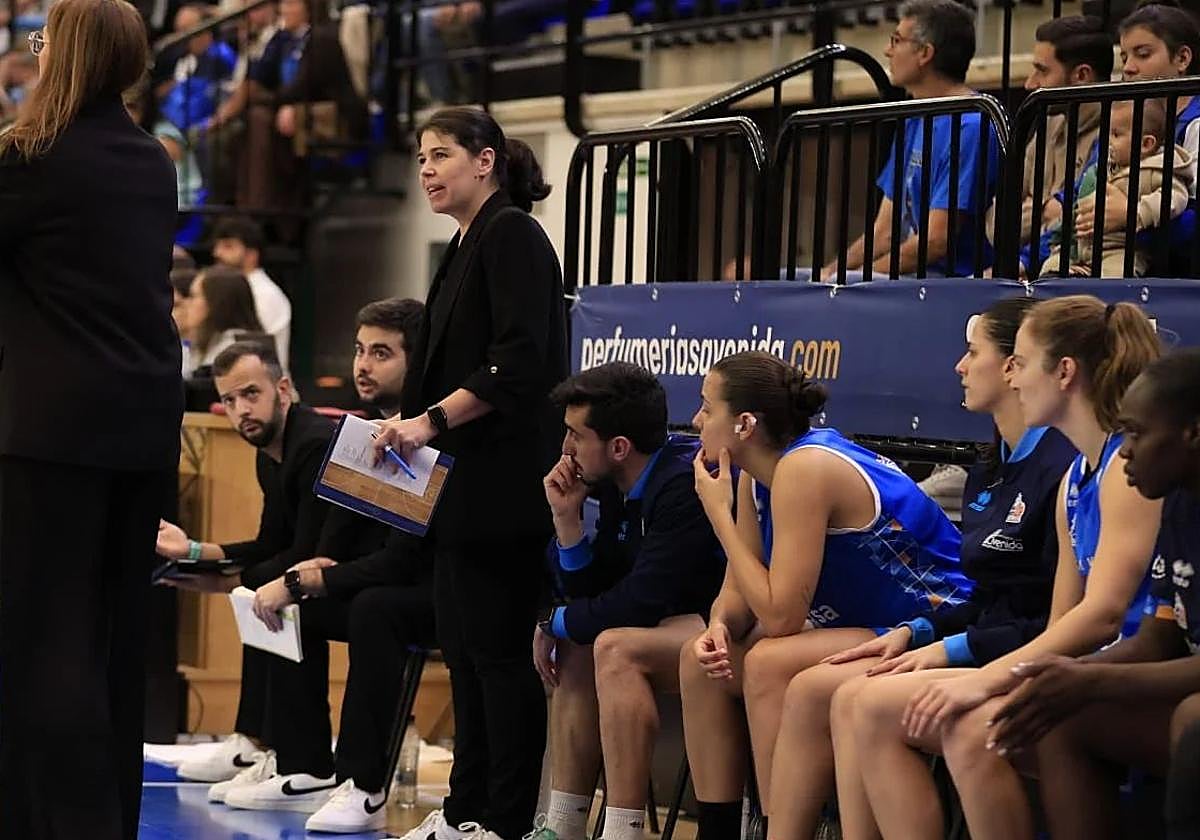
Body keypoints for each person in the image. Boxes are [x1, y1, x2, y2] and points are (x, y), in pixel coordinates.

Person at [849, 296, 1161, 840]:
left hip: (1139, 678)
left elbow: (1104, 616)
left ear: (1064, 372)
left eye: (1021, 361)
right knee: (884, 705)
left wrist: (985, 680)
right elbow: (1064, 624)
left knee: (974, 729)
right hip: (1091, 674)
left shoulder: (1123, 468)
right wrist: (982, 671)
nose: (1012, 377)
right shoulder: (1074, 481)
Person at [0, 0, 182, 835]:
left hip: (52, 427)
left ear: (63, 51)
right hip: (141, 422)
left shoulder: (28, 156)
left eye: (43, 39)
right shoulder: (152, 159)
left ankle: (50, 820)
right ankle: (106, 817)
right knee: (113, 631)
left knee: (45, 633)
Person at [804, 298, 1076, 840]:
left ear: (1014, 368)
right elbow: (990, 595)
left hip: (1036, 658)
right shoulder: (988, 466)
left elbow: (1055, 620)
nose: (959, 366)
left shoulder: (1065, 468)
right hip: (991, 642)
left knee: (864, 702)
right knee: (839, 692)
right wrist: (918, 632)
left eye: (973, 352)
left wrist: (950, 649)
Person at [677, 350, 970, 840]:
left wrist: (719, 517)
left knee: (769, 662)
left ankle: (777, 828)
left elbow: (781, 618)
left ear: (745, 424)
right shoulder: (756, 477)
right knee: (699, 660)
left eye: (708, 407)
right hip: (865, 624)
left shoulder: (806, 468)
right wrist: (720, 627)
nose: (696, 420)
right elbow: (738, 596)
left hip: (933, 620)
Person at [377, 106, 568, 840]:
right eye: (421, 157)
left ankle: (503, 819)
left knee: (498, 656)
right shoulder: (463, 241)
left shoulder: (512, 233)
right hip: (455, 484)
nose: (426, 170)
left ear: (485, 160)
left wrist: (429, 421)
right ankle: (463, 811)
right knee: (462, 652)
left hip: (502, 483)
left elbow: (517, 362)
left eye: (441, 155)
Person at [977, 348, 1200, 840]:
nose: (1126, 451)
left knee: (1192, 720)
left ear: (1193, 432)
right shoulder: (1179, 504)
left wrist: (1093, 679)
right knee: (1061, 717)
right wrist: (1066, 676)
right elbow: (1160, 638)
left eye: (1137, 434)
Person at [528, 362, 726, 840]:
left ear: (618, 447)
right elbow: (597, 593)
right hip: (671, 621)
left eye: (576, 435)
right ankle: (562, 827)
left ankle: (622, 831)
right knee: (579, 644)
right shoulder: (618, 482)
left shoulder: (680, 485)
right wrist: (567, 522)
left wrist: (555, 619)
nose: (565, 449)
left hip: (723, 625)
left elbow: (639, 601)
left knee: (612, 645)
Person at [157, 341, 348, 804]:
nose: (241, 410)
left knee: (276, 597)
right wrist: (196, 551)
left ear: (282, 389)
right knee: (260, 593)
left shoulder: (313, 444)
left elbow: (305, 552)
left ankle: (305, 765)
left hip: (353, 572)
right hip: (316, 568)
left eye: (250, 394)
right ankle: (256, 743)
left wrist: (229, 579)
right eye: (229, 400)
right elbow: (270, 545)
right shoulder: (272, 452)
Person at [822, 0, 1001, 280]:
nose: (887, 51)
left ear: (925, 53)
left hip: (954, 281)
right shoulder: (915, 117)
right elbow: (884, 231)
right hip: (917, 275)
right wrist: (829, 273)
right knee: (796, 279)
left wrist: (853, 279)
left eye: (897, 40)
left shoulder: (971, 125)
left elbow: (936, 241)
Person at [1042, 98, 1193, 277]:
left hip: (1121, 249)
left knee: (1115, 276)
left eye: (1116, 134)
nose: (1108, 141)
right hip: (1081, 246)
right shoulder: (1102, 167)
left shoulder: (1158, 168)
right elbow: (1078, 200)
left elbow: (1175, 197)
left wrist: (1136, 213)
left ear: (1146, 144)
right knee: (1051, 267)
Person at [1020, 15, 1113, 247]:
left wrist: (1032, 207)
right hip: (1023, 264)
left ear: (1081, 75)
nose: (1030, 84)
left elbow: (1078, 225)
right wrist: (1047, 210)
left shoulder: (1117, 134)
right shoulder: (1048, 123)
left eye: (1042, 71)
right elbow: (996, 222)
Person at [212, 215, 293, 368]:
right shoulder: (225, 289)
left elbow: (258, 353)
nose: (217, 253)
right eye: (217, 246)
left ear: (251, 255)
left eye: (228, 246)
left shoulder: (266, 295)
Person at [188, 265, 267, 367]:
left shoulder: (235, 351)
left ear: (215, 302)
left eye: (193, 296)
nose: (188, 303)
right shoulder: (211, 341)